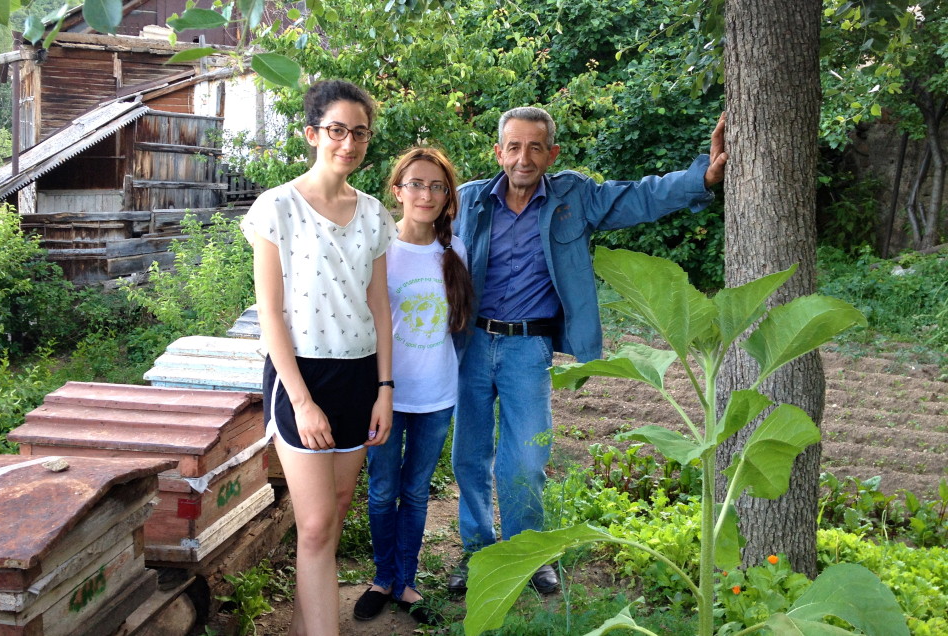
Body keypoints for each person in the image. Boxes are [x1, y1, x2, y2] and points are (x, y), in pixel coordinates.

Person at [448, 107, 727, 595]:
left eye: (536, 147)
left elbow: (639, 197)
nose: (524, 157)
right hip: (470, 344)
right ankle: (476, 551)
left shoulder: (574, 197)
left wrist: (700, 177)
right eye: (514, 146)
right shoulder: (469, 201)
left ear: (552, 154)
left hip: (528, 348)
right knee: (469, 456)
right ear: (498, 152)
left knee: (527, 460)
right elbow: (415, 229)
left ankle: (527, 554)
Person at [240, 79, 397, 636]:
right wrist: (302, 402)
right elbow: (271, 315)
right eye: (337, 130)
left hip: (360, 376)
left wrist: (385, 389)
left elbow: (380, 309)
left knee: (331, 518)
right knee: (314, 525)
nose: (348, 143)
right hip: (300, 375)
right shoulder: (276, 208)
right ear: (312, 134)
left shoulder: (376, 214)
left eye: (359, 133)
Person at [352, 147, 473, 626]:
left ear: (448, 198)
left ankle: (406, 582)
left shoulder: (454, 250)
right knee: (382, 490)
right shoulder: (379, 250)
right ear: (397, 191)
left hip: (438, 395)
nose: (426, 194)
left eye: (437, 186)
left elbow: (456, 326)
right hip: (385, 396)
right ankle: (382, 578)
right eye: (416, 184)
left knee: (417, 492)